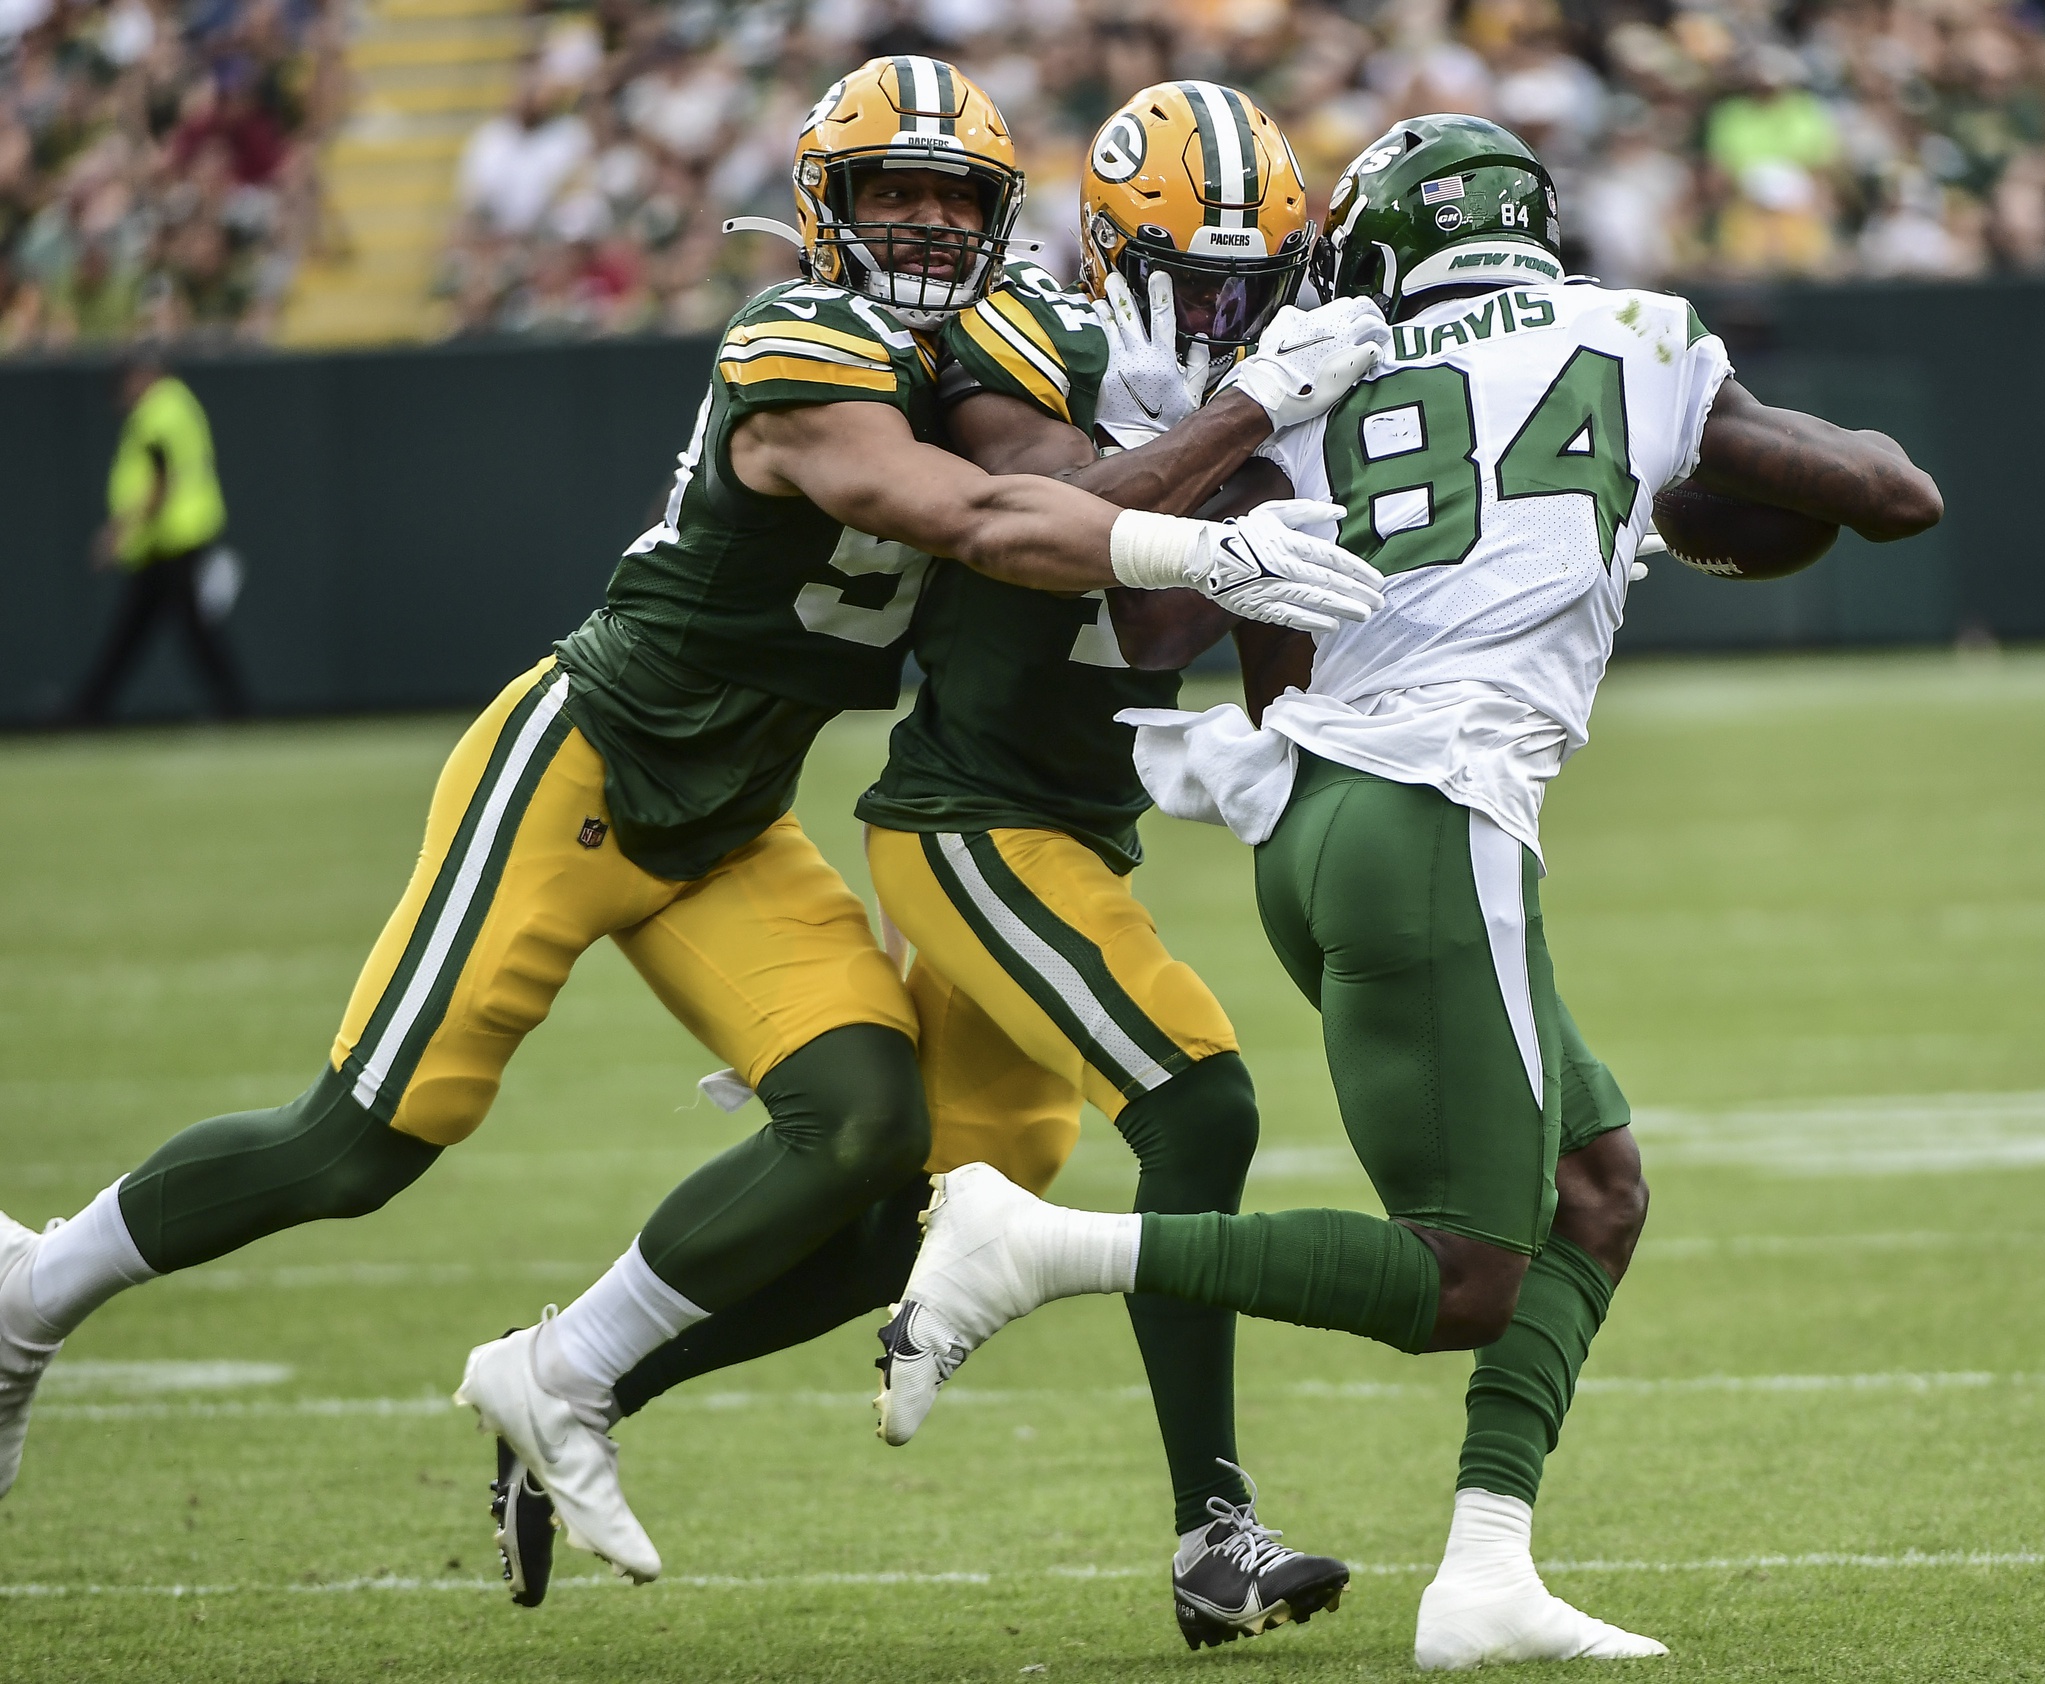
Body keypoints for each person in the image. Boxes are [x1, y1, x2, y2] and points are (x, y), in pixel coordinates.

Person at [0, 57, 1390, 1565]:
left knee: (867, 1128)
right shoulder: (802, 334)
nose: (923, 226)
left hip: (734, 813)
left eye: (953, 198)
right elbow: (983, 520)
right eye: (890, 193)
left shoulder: (990, 353)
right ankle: (31, 1300)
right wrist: (1208, 525)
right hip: (590, 758)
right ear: (822, 204)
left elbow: (1055, 481)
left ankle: (569, 1380)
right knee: (363, 1143)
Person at [871, 113, 1944, 1668]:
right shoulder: (1626, 331)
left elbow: (1173, 634)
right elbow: (1882, 495)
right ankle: (1036, 1247)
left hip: (1317, 831)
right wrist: (1646, 503)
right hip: (1435, 822)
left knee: (1594, 1194)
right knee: (1463, 1276)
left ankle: (1485, 1572)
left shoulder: (1329, 374)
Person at [502, 81, 1364, 1649]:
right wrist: (1248, 435)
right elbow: (1078, 547)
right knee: (1202, 1106)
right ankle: (1210, 1534)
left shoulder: (1238, 359)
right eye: (1192, 279)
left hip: (1073, 824)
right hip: (970, 820)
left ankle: (572, 1378)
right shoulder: (1028, 343)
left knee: (925, 1215)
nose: (1228, 314)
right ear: (1105, 251)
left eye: (1256, 286)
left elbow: (1261, 622)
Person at [65, 354, 249, 724]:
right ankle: (89, 706)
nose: (126, 391)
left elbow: (159, 482)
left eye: (130, 381)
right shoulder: (180, 403)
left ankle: (88, 707)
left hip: (173, 537)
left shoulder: (158, 411)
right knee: (142, 628)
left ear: (146, 375)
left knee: (172, 629)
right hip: (172, 537)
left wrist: (117, 532)